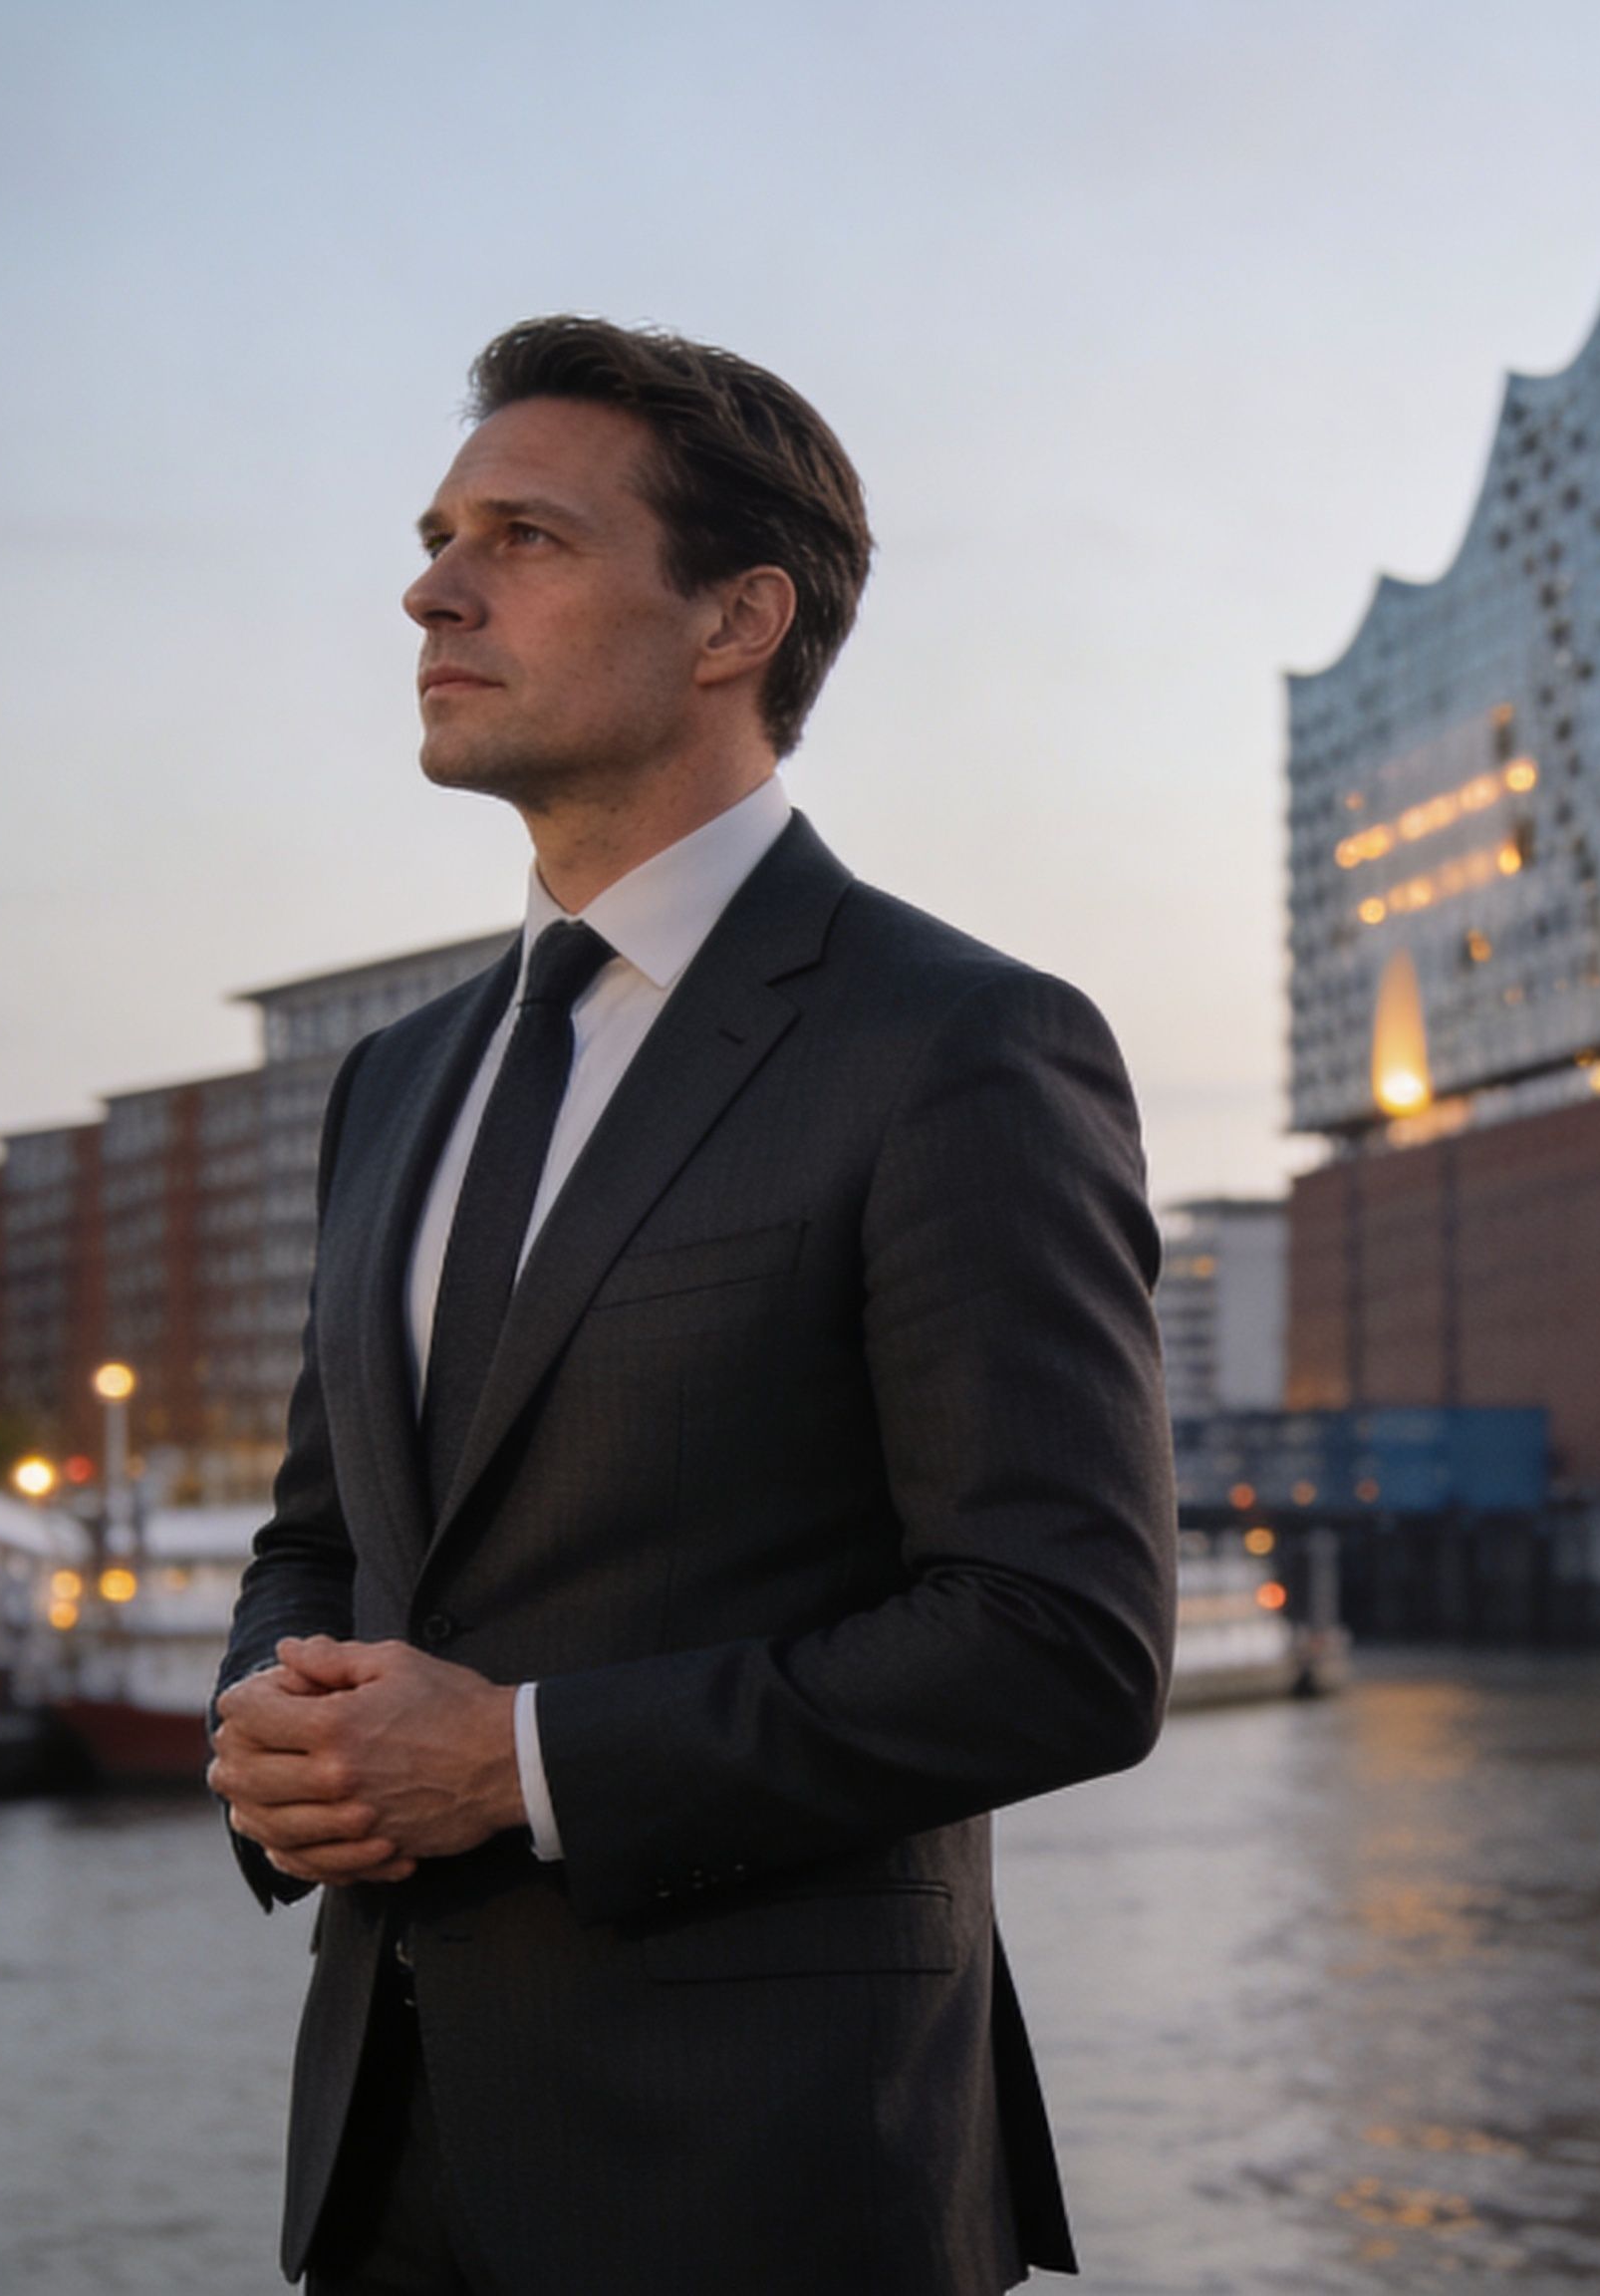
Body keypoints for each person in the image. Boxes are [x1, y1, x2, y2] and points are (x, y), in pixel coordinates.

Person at [205, 315, 1174, 2294]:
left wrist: (521, 1761)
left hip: (773, 2189)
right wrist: (274, 1727)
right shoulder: (394, 1082)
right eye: (435, 532)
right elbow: (325, 1534)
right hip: (385, 2175)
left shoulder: (959, 1046)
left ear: (737, 618)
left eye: (526, 539)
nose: (430, 586)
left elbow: (1060, 1637)